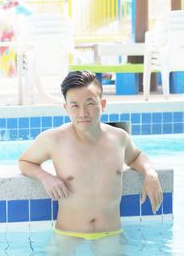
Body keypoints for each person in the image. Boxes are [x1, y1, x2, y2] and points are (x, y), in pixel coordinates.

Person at [18, 71, 163, 255]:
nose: (82, 113)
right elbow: (25, 161)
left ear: (102, 104)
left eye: (90, 104)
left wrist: (150, 173)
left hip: (110, 233)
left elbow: (135, 156)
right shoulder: (54, 140)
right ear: (66, 108)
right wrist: (45, 177)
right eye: (75, 106)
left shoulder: (118, 138)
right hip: (68, 234)